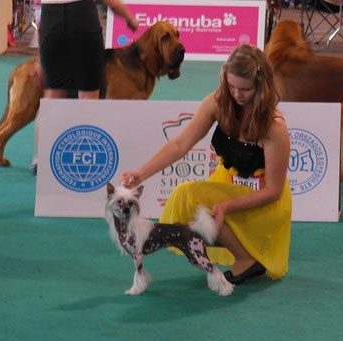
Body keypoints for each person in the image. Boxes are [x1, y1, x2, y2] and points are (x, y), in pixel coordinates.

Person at [120, 44, 292, 285]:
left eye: (244, 89)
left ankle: (247, 260)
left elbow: (273, 192)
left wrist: (227, 206)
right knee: (184, 202)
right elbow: (180, 144)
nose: (236, 94)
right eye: (231, 86)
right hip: (226, 182)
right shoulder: (217, 103)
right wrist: (142, 172)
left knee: (193, 196)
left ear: (261, 87)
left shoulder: (274, 127)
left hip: (263, 200)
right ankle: (242, 249)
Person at [31, 0, 139, 173]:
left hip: (50, 20)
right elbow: (113, 3)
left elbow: (38, 14)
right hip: (81, 18)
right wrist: (130, 19)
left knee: (52, 97)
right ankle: (84, 156)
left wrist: (40, 58)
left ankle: (39, 158)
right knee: (88, 97)